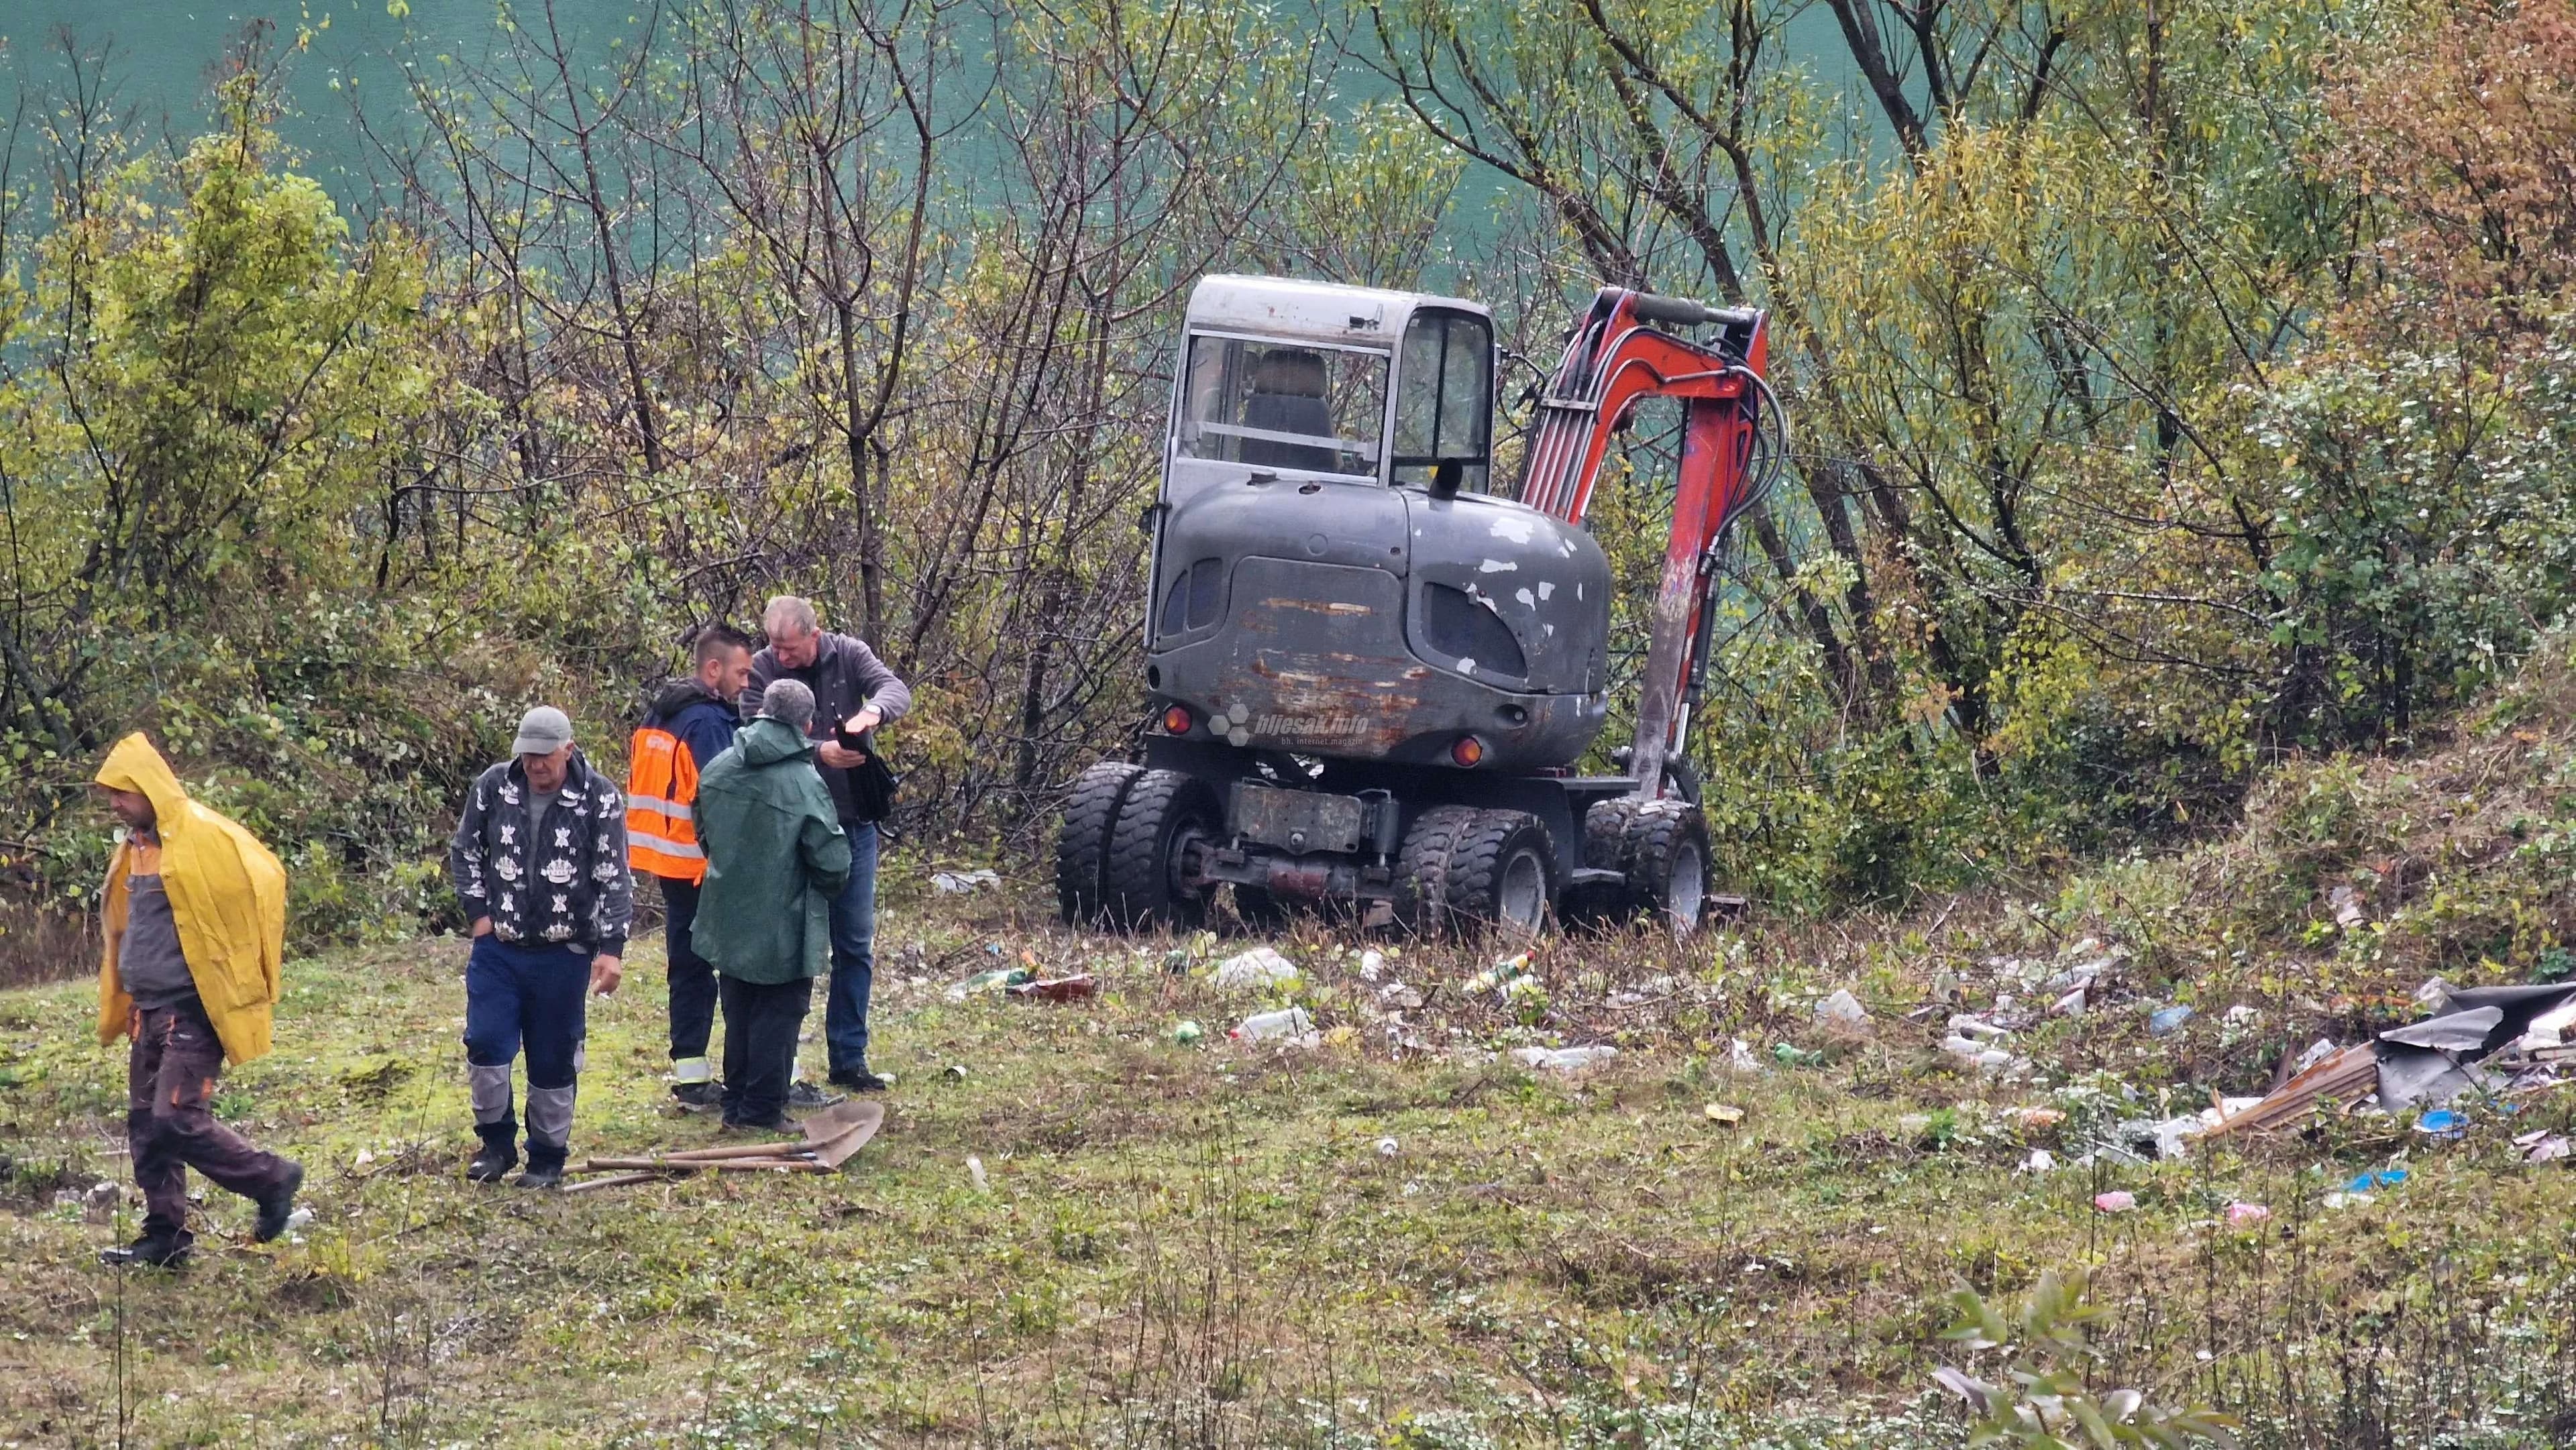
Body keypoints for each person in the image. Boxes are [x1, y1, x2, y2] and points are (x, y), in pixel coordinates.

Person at [91, 734, 307, 1268]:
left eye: (122, 793)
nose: (115, 804)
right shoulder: (135, 847)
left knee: (176, 1118)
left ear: (148, 788)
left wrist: (238, 976)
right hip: (148, 1009)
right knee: (146, 1126)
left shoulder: (202, 837)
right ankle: (165, 1239)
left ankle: (273, 1178)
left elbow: (262, 880)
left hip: (192, 1010)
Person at [447, 706, 632, 1188]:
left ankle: (547, 1160)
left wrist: (612, 948)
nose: (535, 766)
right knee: (486, 1044)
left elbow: (614, 877)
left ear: (568, 750)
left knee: (553, 1057)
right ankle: (495, 1145)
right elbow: (465, 849)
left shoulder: (600, 798)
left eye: (544, 757)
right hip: (499, 949)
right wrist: (478, 916)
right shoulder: (493, 787)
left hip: (564, 952)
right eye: (527, 757)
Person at [749, 596, 912, 1093]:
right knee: (785, 947)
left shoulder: (850, 654)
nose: (782, 656)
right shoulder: (760, 670)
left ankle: (848, 1058)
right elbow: (751, 733)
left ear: (814, 636)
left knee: (854, 946)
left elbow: (895, 689)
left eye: (790, 647)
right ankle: (782, 1066)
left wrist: (872, 716)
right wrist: (819, 752)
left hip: (851, 828)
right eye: (775, 645)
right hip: (789, 831)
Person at [690, 680, 853, 1131]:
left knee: (738, 1007)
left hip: (727, 910)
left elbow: (701, 829)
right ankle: (761, 1111)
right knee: (779, 1014)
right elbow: (832, 860)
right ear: (806, 725)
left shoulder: (719, 767)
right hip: (786, 917)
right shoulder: (804, 783)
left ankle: (736, 1105)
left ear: (762, 712)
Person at [626, 624, 754, 1110]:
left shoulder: (659, 714)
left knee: (687, 968)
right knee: (740, 970)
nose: (747, 683)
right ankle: (753, 1075)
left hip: (667, 862)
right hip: (705, 866)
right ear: (714, 668)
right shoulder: (706, 722)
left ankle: (692, 1076)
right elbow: (724, 794)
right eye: (742, 672)